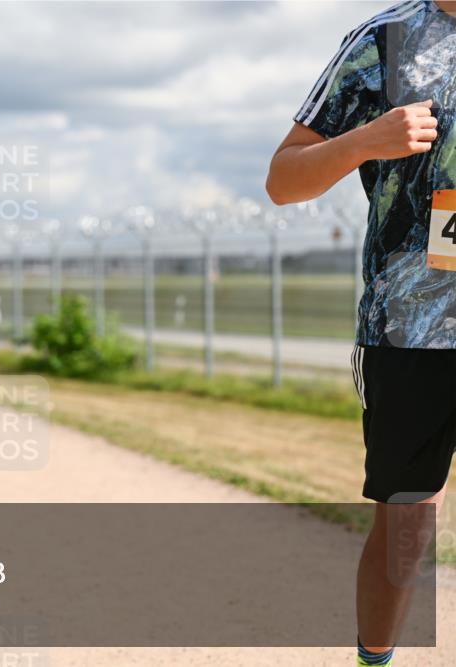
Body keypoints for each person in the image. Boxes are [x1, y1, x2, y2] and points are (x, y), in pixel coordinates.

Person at [267, 2, 455, 665]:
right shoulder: (386, 39)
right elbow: (283, 180)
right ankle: (374, 659)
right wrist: (366, 140)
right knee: (407, 520)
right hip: (411, 330)